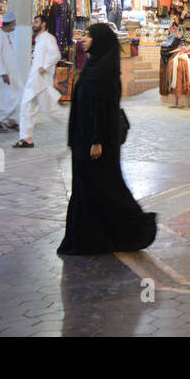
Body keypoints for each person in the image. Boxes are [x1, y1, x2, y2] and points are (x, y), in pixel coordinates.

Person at [57, 23, 156, 255]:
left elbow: (103, 108)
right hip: (85, 138)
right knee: (93, 188)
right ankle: (91, 238)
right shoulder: (94, 65)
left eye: (88, 36)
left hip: (96, 142)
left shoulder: (104, 72)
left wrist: (97, 140)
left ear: (99, 40)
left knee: (104, 188)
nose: (83, 39)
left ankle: (134, 228)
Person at [14, 13, 61, 148]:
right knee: (29, 108)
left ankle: (74, 127)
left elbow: (56, 55)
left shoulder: (47, 38)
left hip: (40, 81)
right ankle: (26, 138)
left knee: (48, 111)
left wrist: (44, 67)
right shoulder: (40, 39)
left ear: (43, 24)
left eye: (36, 22)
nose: (33, 24)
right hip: (36, 81)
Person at [0, 13, 24, 132]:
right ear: (11, 23)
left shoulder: (9, 35)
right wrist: (3, 73)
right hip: (0, 75)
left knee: (14, 97)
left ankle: (12, 120)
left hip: (11, 73)